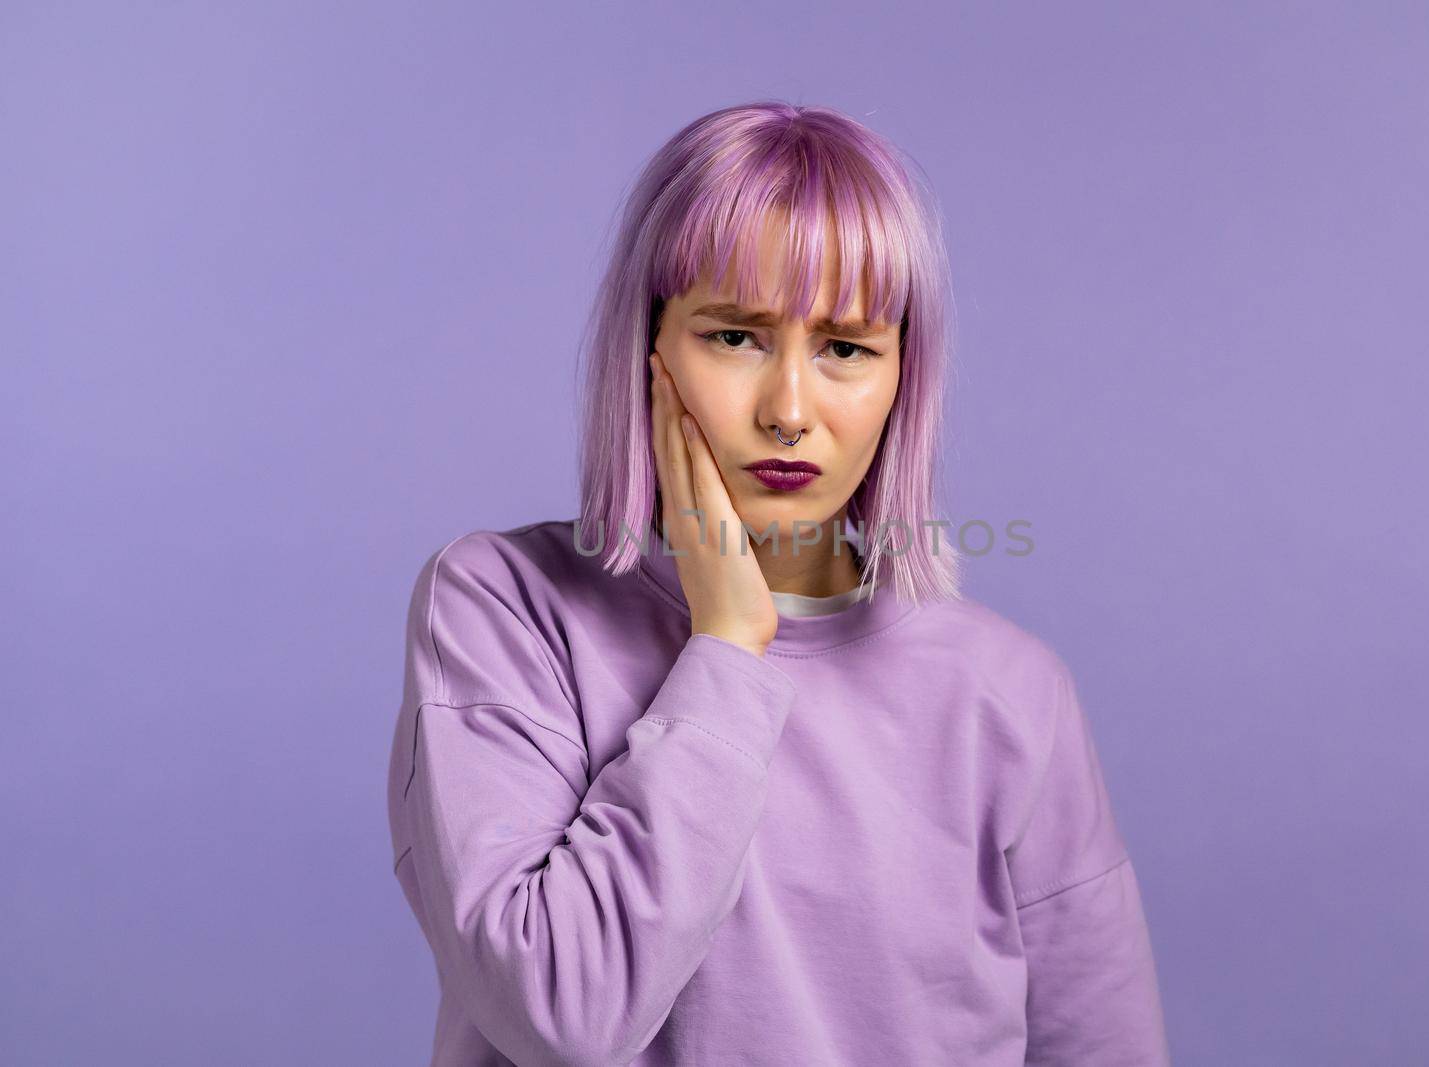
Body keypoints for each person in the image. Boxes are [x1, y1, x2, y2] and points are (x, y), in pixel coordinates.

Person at [385, 100, 1171, 1066]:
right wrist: (724, 643)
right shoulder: (505, 609)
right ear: (651, 351)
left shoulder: (1009, 691)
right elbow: (563, 1012)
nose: (790, 409)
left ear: (901, 381)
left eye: (845, 347)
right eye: (736, 336)